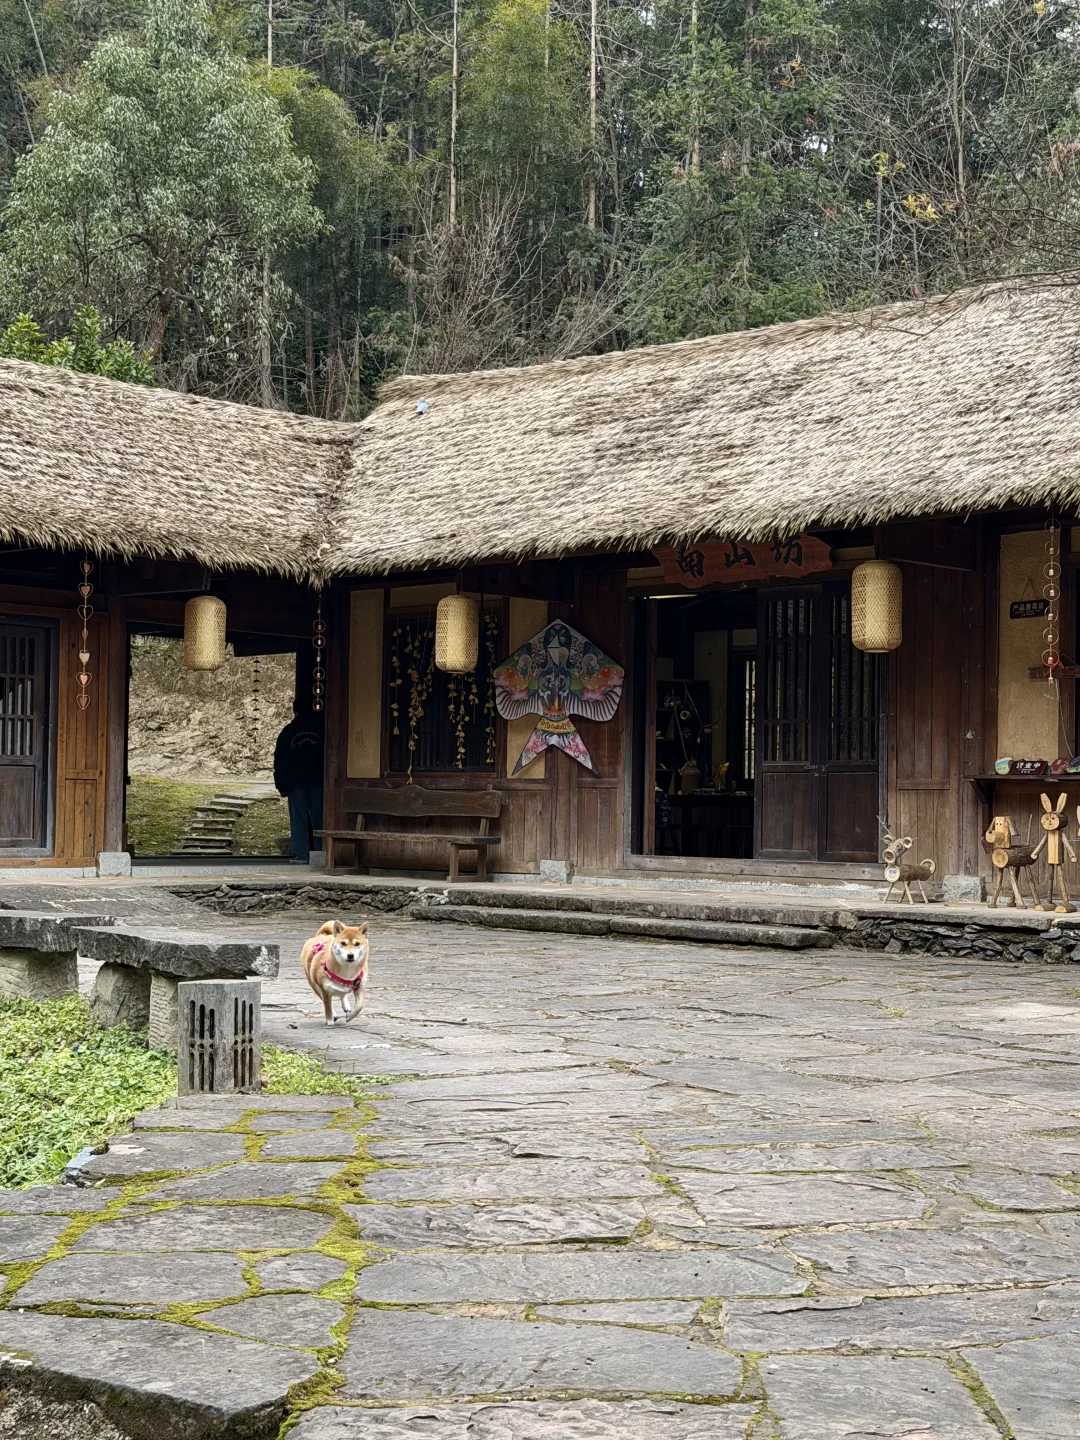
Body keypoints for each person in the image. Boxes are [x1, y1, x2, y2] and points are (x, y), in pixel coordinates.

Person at [273, 700, 324, 864]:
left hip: (296, 783)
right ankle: (322, 853)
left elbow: (280, 760)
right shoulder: (321, 730)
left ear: (295, 711)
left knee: (298, 819)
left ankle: (301, 854)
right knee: (320, 819)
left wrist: (282, 784)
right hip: (318, 781)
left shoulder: (288, 732)